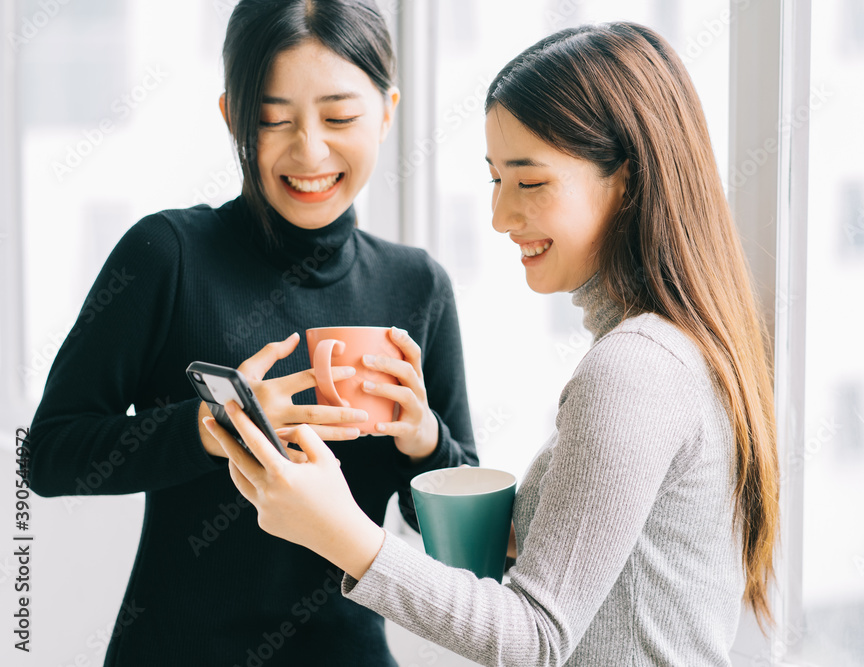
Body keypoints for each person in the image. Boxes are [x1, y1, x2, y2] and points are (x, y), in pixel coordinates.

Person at [207, 20, 781, 667]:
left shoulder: (635, 369)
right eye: (495, 179)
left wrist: (342, 532)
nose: (501, 216)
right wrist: (424, 442)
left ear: (626, 179)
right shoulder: (669, 348)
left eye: (529, 182)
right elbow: (564, 552)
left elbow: (534, 636)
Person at [26, 1, 477, 665]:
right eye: (272, 119)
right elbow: (48, 455)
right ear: (233, 117)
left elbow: (459, 544)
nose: (311, 149)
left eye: (341, 116)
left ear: (386, 111)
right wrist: (210, 429)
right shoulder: (167, 254)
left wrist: (426, 440)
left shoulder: (418, 286)